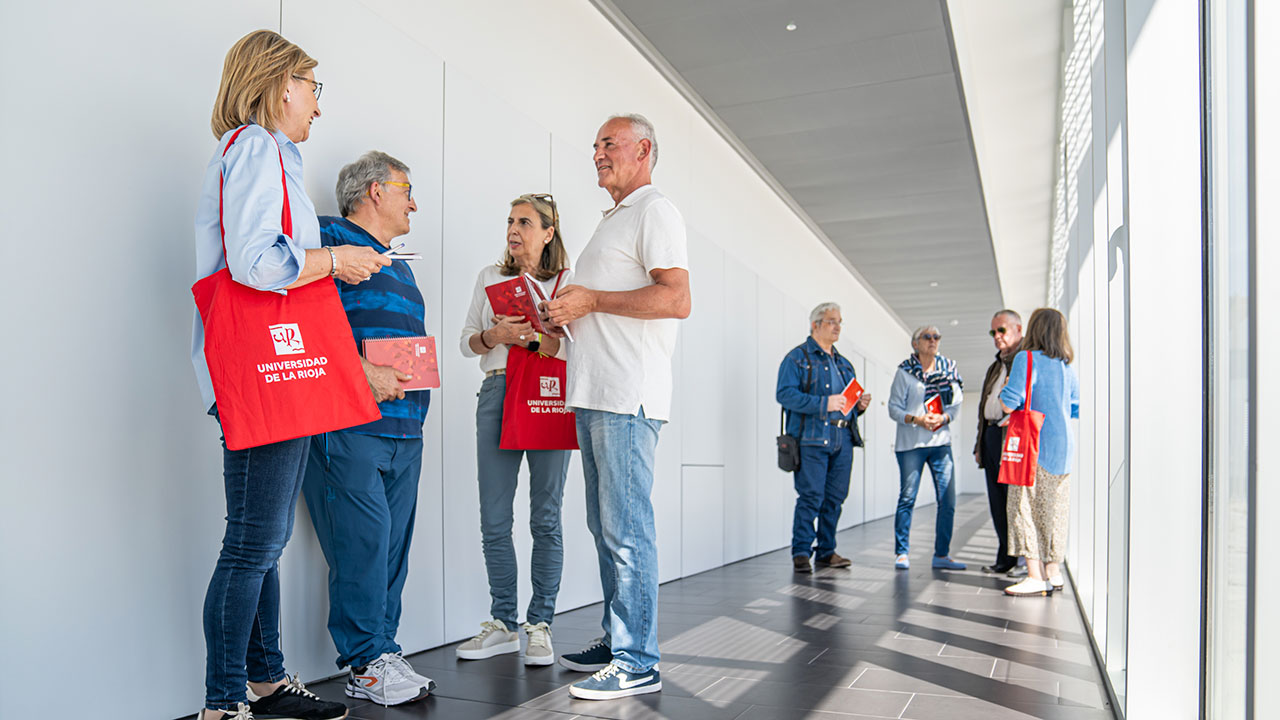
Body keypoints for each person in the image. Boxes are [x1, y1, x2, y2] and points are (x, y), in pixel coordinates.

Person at [192, 30, 390, 720]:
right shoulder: (254, 149)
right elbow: (254, 262)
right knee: (252, 542)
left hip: (276, 367)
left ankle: (265, 682)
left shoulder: (271, 155)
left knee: (262, 539)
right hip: (263, 370)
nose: (318, 105)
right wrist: (335, 262)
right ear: (281, 84)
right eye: (313, 87)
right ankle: (224, 702)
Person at [541, 114, 690, 701]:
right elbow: (599, 314)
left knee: (627, 531)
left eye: (610, 143)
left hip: (628, 398)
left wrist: (591, 297)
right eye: (596, 144)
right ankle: (617, 638)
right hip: (597, 394)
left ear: (644, 149)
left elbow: (676, 298)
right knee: (606, 528)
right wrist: (558, 315)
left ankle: (638, 659)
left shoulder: (655, 210)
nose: (598, 152)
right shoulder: (616, 220)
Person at [300, 151, 435, 706]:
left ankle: (384, 649)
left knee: (392, 549)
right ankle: (364, 661)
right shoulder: (326, 242)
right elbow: (303, 323)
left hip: (406, 429)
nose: (414, 202)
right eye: (406, 189)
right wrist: (363, 371)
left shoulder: (399, 260)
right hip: (347, 423)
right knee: (363, 543)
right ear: (375, 191)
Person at [455, 194, 573, 666]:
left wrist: (533, 337)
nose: (513, 229)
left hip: (546, 394)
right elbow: (468, 342)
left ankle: (539, 623)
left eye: (524, 221)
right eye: (509, 220)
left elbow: (572, 351)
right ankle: (503, 623)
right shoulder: (490, 277)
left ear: (548, 232)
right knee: (494, 518)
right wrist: (496, 337)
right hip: (498, 391)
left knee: (545, 517)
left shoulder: (567, 283)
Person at [776, 302, 872, 573]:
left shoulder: (844, 364)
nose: (837, 326)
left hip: (842, 439)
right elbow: (784, 394)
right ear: (815, 324)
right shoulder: (797, 358)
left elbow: (846, 405)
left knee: (835, 498)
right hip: (810, 440)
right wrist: (823, 403)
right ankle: (801, 552)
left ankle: (826, 552)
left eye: (839, 321)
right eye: (831, 321)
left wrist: (859, 406)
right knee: (811, 497)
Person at [999, 308, 1080, 596]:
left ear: (1034, 329)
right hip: (1063, 449)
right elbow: (1075, 407)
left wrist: (1005, 393)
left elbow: (1009, 403)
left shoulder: (1026, 359)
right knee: (1054, 511)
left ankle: (1034, 576)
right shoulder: (1067, 367)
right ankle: (1053, 572)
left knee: (1023, 509)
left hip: (1035, 447)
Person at [886, 326, 966, 571]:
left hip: (940, 444)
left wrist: (944, 419)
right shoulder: (904, 373)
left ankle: (941, 555)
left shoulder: (949, 370)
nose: (932, 341)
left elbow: (955, 404)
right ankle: (901, 552)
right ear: (915, 344)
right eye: (927, 337)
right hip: (911, 445)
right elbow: (893, 408)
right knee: (907, 498)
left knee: (947, 500)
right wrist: (917, 419)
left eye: (936, 337)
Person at [973, 309, 1023, 575]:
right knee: (997, 501)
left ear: (1018, 329)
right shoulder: (996, 365)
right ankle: (1005, 558)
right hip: (992, 437)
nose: (997, 336)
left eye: (1001, 330)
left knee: (1014, 501)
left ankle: (1021, 560)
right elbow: (984, 408)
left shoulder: (1024, 361)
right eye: (993, 331)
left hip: (1011, 438)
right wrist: (979, 445)